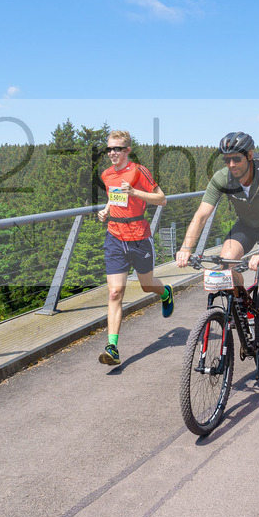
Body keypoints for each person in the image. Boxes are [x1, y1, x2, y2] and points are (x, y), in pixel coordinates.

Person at [175, 131, 259, 381]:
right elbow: (201, 215)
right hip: (246, 226)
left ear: (249, 155)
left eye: (236, 159)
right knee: (226, 262)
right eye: (226, 160)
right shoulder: (222, 178)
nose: (231, 165)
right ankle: (243, 304)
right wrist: (186, 247)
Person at [96, 130, 174, 366]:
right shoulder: (107, 174)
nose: (112, 153)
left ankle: (166, 292)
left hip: (139, 237)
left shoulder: (139, 171)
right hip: (115, 238)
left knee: (146, 285)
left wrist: (135, 192)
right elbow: (114, 195)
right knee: (114, 293)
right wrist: (106, 210)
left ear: (127, 150)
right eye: (109, 149)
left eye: (117, 148)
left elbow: (162, 199)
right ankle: (113, 347)